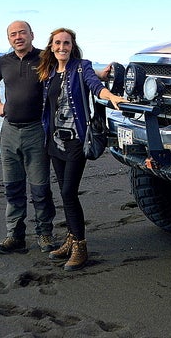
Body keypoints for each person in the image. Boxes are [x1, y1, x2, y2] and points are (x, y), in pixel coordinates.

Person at [37, 27, 126, 271]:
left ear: (72, 46)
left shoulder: (82, 66)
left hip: (77, 140)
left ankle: (80, 247)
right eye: (57, 43)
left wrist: (112, 97)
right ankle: (70, 239)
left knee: (68, 192)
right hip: (54, 141)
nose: (62, 47)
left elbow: (95, 85)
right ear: (51, 46)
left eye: (66, 43)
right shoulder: (48, 71)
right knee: (64, 192)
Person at [0, 21, 58, 254]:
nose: (18, 37)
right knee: (13, 188)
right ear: (8, 38)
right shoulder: (3, 61)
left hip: (36, 131)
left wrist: (99, 74)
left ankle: (45, 235)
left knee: (40, 188)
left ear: (31, 35)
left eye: (22, 33)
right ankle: (14, 236)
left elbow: (74, 67)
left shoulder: (46, 57)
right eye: (13, 34)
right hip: (8, 132)